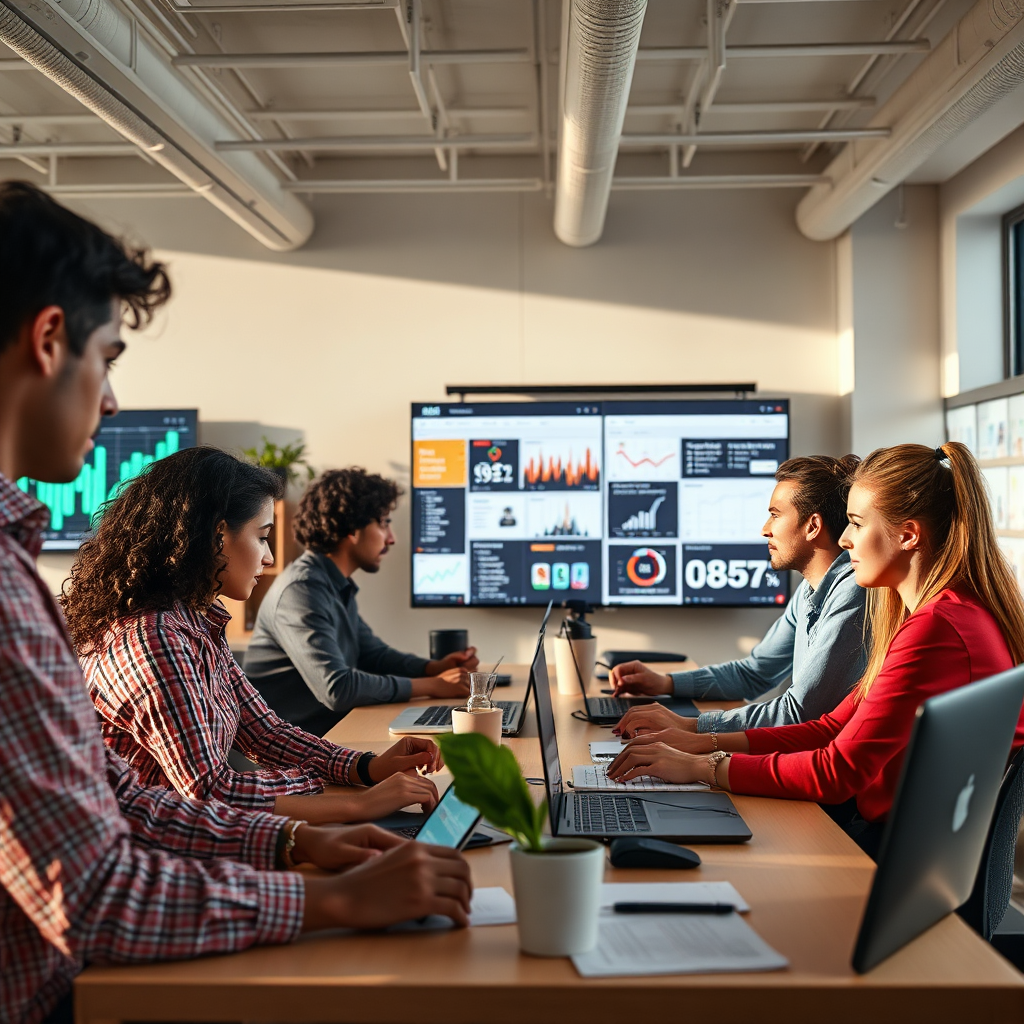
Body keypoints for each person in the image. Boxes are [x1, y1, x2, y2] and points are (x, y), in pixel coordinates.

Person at [0, 182, 471, 1024]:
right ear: (47, 340)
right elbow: (101, 888)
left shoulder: (45, 584)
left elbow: (130, 799)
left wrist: (309, 834)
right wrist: (334, 894)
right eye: (107, 358)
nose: (110, 401)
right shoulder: (88, 620)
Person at [607, 442, 1024, 856]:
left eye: (857, 524)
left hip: (906, 857)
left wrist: (702, 766)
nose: (843, 540)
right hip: (912, 844)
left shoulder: (938, 629)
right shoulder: (938, 614)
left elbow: (836, 772)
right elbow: (830, 728)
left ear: (909, 535)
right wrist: (696, 741)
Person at [67, 447, 444, 824]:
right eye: (262, 537)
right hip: (150, 854)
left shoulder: (198, 623)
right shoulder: (154, 638)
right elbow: (212, 791)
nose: (268, 557)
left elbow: (264, 733)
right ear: (217, 535)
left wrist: (367, 767)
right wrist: (358, 803)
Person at [610, 455, 867, 744]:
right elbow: (754, 673)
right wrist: (665, 682)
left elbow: (799, 712)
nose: (765, 529)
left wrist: (693, 726)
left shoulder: (854, 591)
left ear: (813, 526)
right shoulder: (810, 590)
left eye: (775, 514)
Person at [245, 468, 479, 734]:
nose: (391, 538)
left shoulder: (332, 584)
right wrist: (432, 684)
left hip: (328, 734)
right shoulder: (301, 590)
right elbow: (338, 688)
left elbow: (373, 655)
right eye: (383, 523)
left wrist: (433, 667)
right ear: (352, 529)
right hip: (290, 755)